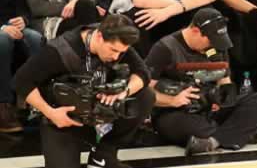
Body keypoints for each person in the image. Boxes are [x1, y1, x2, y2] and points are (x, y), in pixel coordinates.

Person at [14, 14, 155, 168]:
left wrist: (124, 92)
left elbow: (143, 72)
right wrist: (50, 113)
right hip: (62, 119)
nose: (116, 57)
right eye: (113, 50)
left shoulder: (117, 40)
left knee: (145, 96)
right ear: (99, 36)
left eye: (121, 52)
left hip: (98, 113)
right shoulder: (60, 50)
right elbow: (21, 80)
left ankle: (104, 153)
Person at [146, 7, 257, 155]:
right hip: (176, 111)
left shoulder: (218, 46)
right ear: (196, 31)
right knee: (191, 128)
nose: (214, 45)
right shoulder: (164, 48)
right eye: (210, 41)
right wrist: (172, 100)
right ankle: (240, 132)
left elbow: (224, 81)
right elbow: (145, 92)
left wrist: (224, 99)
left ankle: (212, 141)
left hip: (209, 107)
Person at [0, 0, 43, 133]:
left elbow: (24, 8)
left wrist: (23, 20)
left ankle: (35, 100)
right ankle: (3, 104)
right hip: (1, 31)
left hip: (12, 26)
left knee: (34, 37)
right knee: (3, 40)